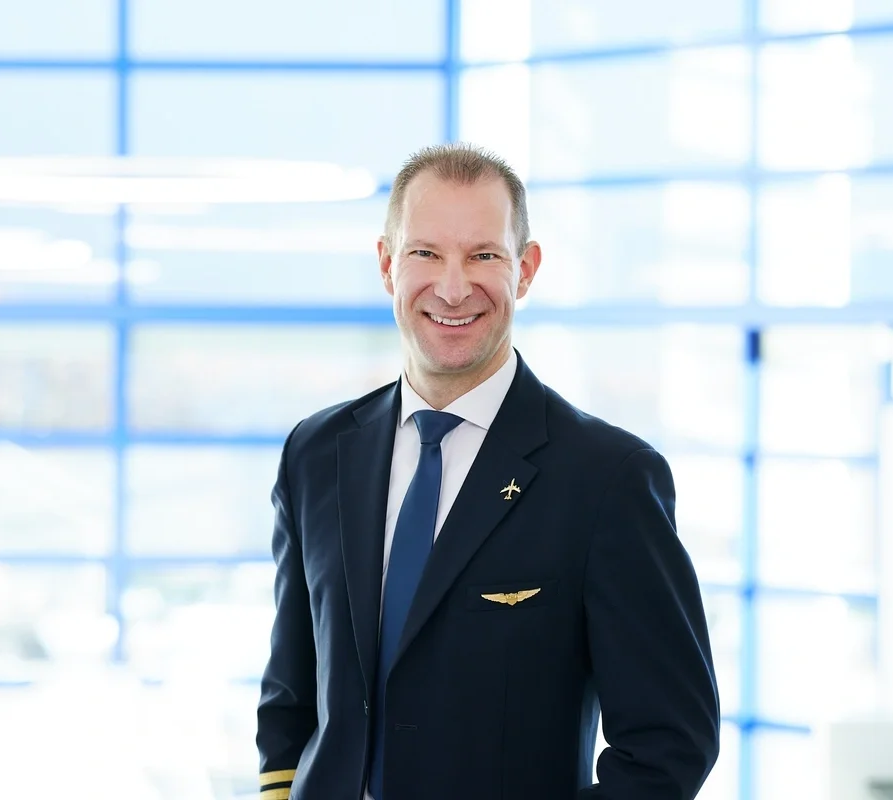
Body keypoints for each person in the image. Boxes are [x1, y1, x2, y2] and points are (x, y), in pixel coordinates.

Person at [256, 143, 720, 800]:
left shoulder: (607, 479)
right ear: (387, 265)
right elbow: (290, 694)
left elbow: (670, 745)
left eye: (483, 256)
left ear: (525, 270)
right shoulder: (317, 453)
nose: (452, 288)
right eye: (425, 253)